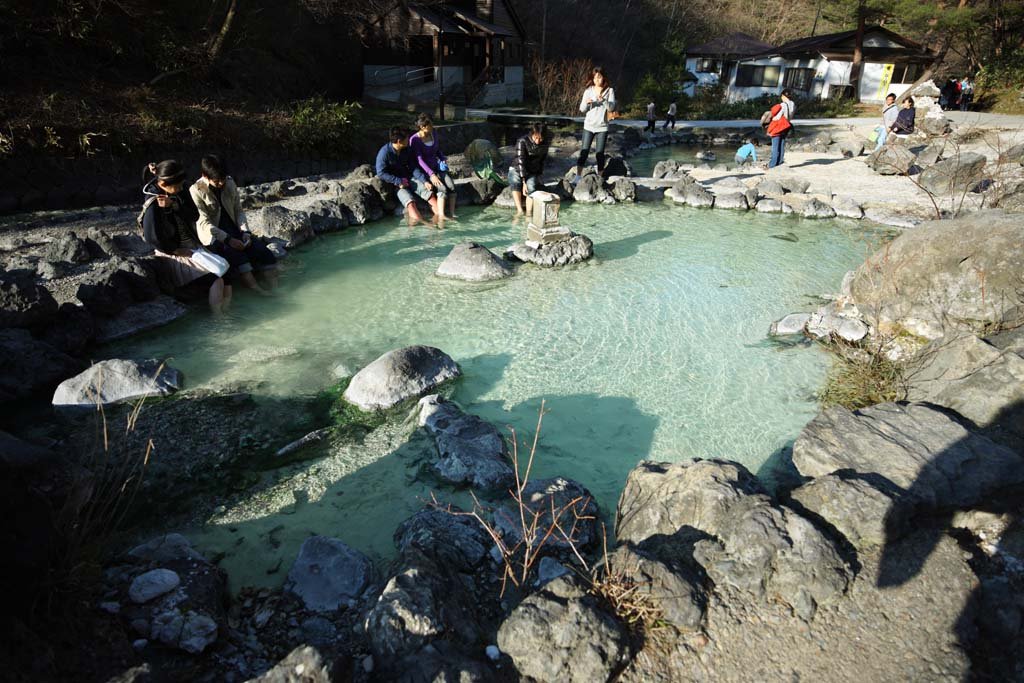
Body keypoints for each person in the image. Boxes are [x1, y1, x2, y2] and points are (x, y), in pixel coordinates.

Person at [140, 160, 230, 313]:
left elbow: (194, 215)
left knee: (227, 273)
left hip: (192, 245)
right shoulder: (153, 202)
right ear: (163, 183)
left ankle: (228, 313)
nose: (181, 188)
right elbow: (152, 238)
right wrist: (175, 250)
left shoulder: (180, 190)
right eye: (178, 186)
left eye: (182, 185)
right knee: (216, 280)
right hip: (172, 252)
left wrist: (174, 205)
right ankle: (220, 319)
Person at [190, 155, 278, 295]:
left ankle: (275, 288)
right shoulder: (196, 190)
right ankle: (259, 292)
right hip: (215, 236)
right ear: (205, 176)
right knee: (239, 259)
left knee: (263, 251)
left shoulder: (229, 182)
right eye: (217, 181)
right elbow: (204, 223)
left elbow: (239, 211)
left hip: (234, 230)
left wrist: (246, 232)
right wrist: (228, 239)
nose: (221, 183)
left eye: (223, 179)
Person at [375, 126, 438, 226]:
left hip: (409, 179)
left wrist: (424, 181)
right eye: (407, 138)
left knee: (430, 195)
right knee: (410, 203)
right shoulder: (384, 153)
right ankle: (426, 226)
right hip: (396, 185)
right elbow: (381, 173)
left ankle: (441, 218)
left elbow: (413, 167)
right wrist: (398, 181)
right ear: (399, 141)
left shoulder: (406, 149)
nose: (409, 139)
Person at [409, 113, 457, 221]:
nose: (432, 126)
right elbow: (419, 160)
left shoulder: (433, 133)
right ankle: (441, 215)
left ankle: (453, 213)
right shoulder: (414, 140)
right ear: (422, 127)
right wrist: (431, 175)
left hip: (437, 167)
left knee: (451, 186)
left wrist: (442, 158)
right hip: (425, 171)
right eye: (430, 125)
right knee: (442, 188)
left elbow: (437, 150)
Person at [574, 66, 617, 182]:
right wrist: (587, 103)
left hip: (602, 127)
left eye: (599, 77)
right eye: (595, 78)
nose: (597, 80)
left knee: (599, 154)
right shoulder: (588, 91)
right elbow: (582, 109)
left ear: (604, 78)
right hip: (589, 126)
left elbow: (611, 107)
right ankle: (578, 176)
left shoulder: (610, 91)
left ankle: (600, 177)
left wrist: (604, 100)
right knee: (584, 152)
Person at [510, 122, 548, 215]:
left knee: (531, 187)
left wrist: (539, 175)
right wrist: (523, 182)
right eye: (536, 138)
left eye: (541, 138)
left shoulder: (545, 144)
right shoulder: (522, 141)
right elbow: (520, 161)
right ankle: (519, 210)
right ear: (532, 134)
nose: (538, 141)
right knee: (515, 181)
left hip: (532, 171)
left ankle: (528, 213)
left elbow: (542, 161)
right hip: (517, 168)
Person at [766, 89, 795, 169]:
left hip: (778, 127)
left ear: (783, 96)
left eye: (781, 96)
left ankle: (772, 164)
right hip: (786, 126)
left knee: (775, 146)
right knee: (781, 144)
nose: (781, 97)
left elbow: (777, 118)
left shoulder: (782, 105)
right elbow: (790, 116)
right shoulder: (792, 104)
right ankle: (780, 161)